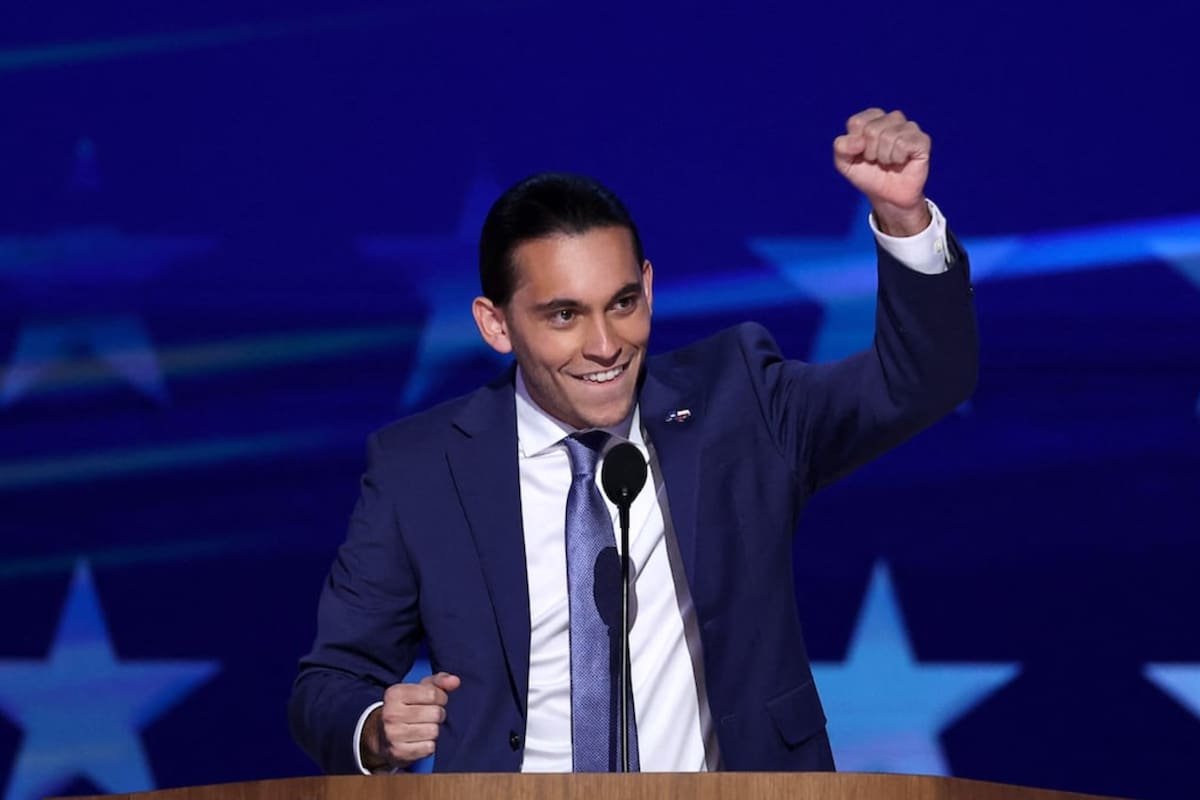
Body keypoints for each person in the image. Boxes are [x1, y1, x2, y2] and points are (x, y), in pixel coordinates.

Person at [289, 108, 978, 774]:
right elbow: (331, 680)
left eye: (622, 303)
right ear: (496, 326)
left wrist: (903, 220)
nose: (605, 345)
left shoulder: (738, 402)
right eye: (564, 315)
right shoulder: (422, 468)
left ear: (647, 287)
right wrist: (376, 727)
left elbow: (920, 382)